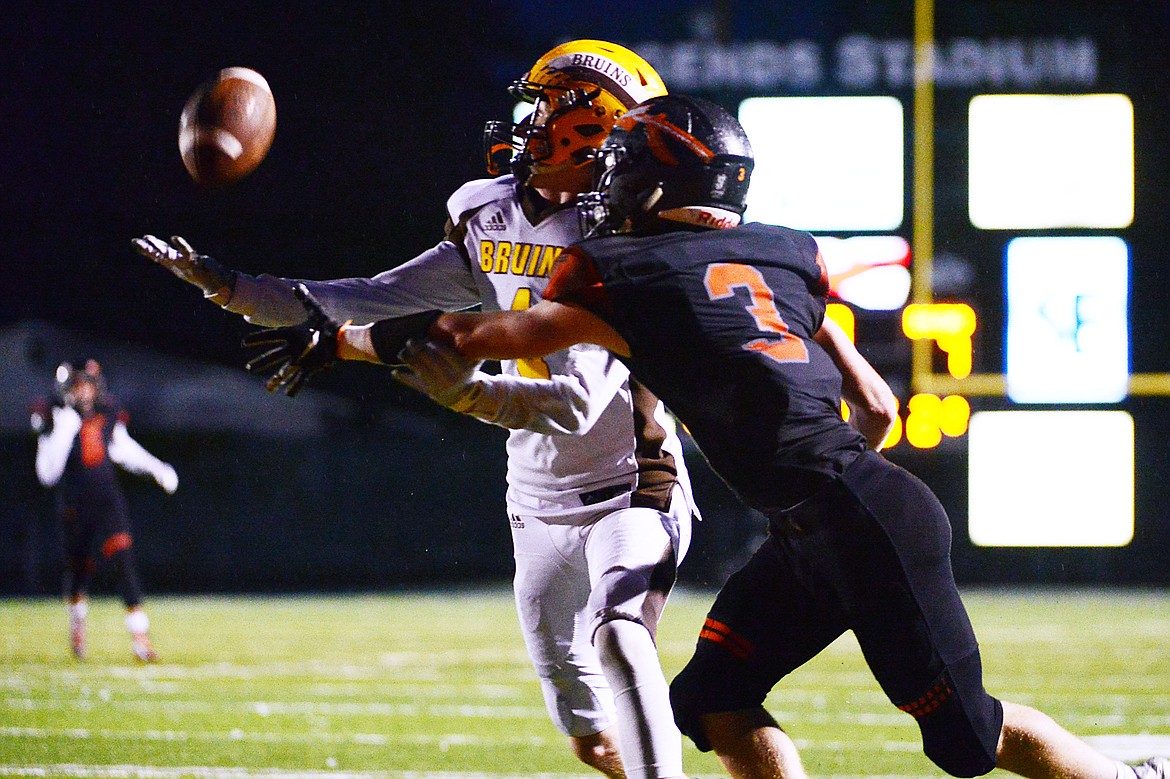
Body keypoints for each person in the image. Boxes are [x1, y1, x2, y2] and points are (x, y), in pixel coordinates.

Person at [286, 94, 1167, 779]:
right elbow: (877, 411)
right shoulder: (785, 251)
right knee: (712, 696)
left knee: (966, 737)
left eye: (621, 164)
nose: (605, 181)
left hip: (850, 524)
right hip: (835, 515)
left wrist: (340, 339)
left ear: (656, 184)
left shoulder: (621, 270)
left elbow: (476, 337)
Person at [135, 41, 696, 779]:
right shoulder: (487, 210)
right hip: (533, 496)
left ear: (592, 128)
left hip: (632, 481)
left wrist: (466, 392)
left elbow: (576, 402)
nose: (525, 122)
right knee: (588, 736)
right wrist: (228, 285)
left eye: (545, 106)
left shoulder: (620, 235)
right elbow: (362, 295)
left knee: (619, 637)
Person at [31, 359, 178, 663]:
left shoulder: (107, 412)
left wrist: (156, 468)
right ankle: (77, 624)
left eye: (88, 386)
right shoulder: (53, 417)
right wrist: (61, 433)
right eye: (78, 386)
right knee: (79, 570)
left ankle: (140, 638)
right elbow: (47, 475)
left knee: (124, 561)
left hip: (107, 501)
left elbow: (122, 448)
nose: (84, 393)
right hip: (74, 505)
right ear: (67, 390)